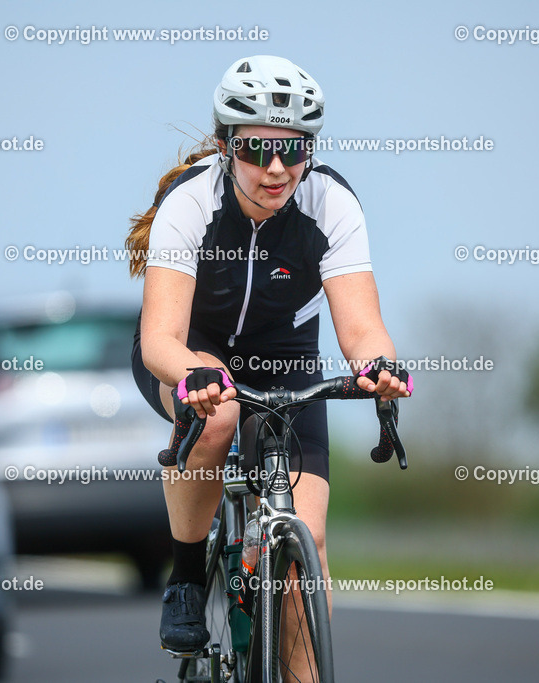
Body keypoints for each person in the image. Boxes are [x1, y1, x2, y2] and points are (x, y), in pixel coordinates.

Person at [127, 55, 411, 666]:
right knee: (219, 418)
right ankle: (186, 578)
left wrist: (380, 366)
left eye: (294, 150)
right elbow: (159, 340)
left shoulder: (331, 203)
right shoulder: (190, 201)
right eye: (256, 149)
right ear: (226, 146)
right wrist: (195, 376)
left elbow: (363, 329)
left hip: (285, 357)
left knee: (310, 542)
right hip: (192, 349)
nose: (276, 168)